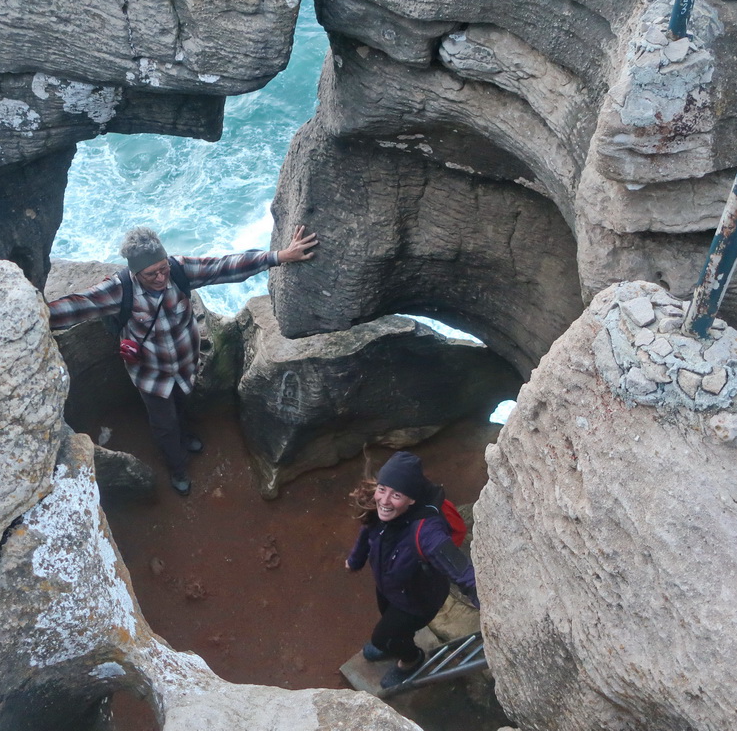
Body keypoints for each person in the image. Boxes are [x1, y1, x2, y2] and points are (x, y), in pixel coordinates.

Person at [47, 225, 317, 496]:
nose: (161, 277)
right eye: (151, 274)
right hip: (151, 375)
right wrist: (35, 312)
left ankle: (186, 436)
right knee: (164, 424)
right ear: (135, 273)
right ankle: (177, 468)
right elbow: (79, 305)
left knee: (183, 404)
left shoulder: (179, 271)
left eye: (163, 268)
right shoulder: (120, 290)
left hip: (186, 364)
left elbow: (224, 266)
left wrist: (279, 256)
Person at [344, 451, 479, 689]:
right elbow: (366, 533)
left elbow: (463, 573)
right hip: (390, 586)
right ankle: (392, 642)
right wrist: (355, 560)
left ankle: (410, 659)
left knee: (384, 636)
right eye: (382, 489)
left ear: (412, 500)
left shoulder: (428, 533)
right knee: (388, 621)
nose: (384, 500)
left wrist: (490, 607)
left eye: (396, 495)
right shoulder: (381, 510)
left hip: (418, 600)